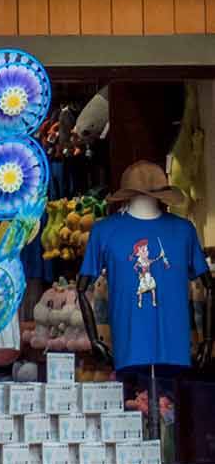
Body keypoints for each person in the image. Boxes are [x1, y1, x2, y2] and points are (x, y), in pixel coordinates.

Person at [82, 162, 207, 406]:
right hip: (129, 346)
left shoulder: (184, 230)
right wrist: (94, 339)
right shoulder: (104, 231)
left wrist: (207, 340)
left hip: (175, 346)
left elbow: (208, 285)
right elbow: (82, 287)